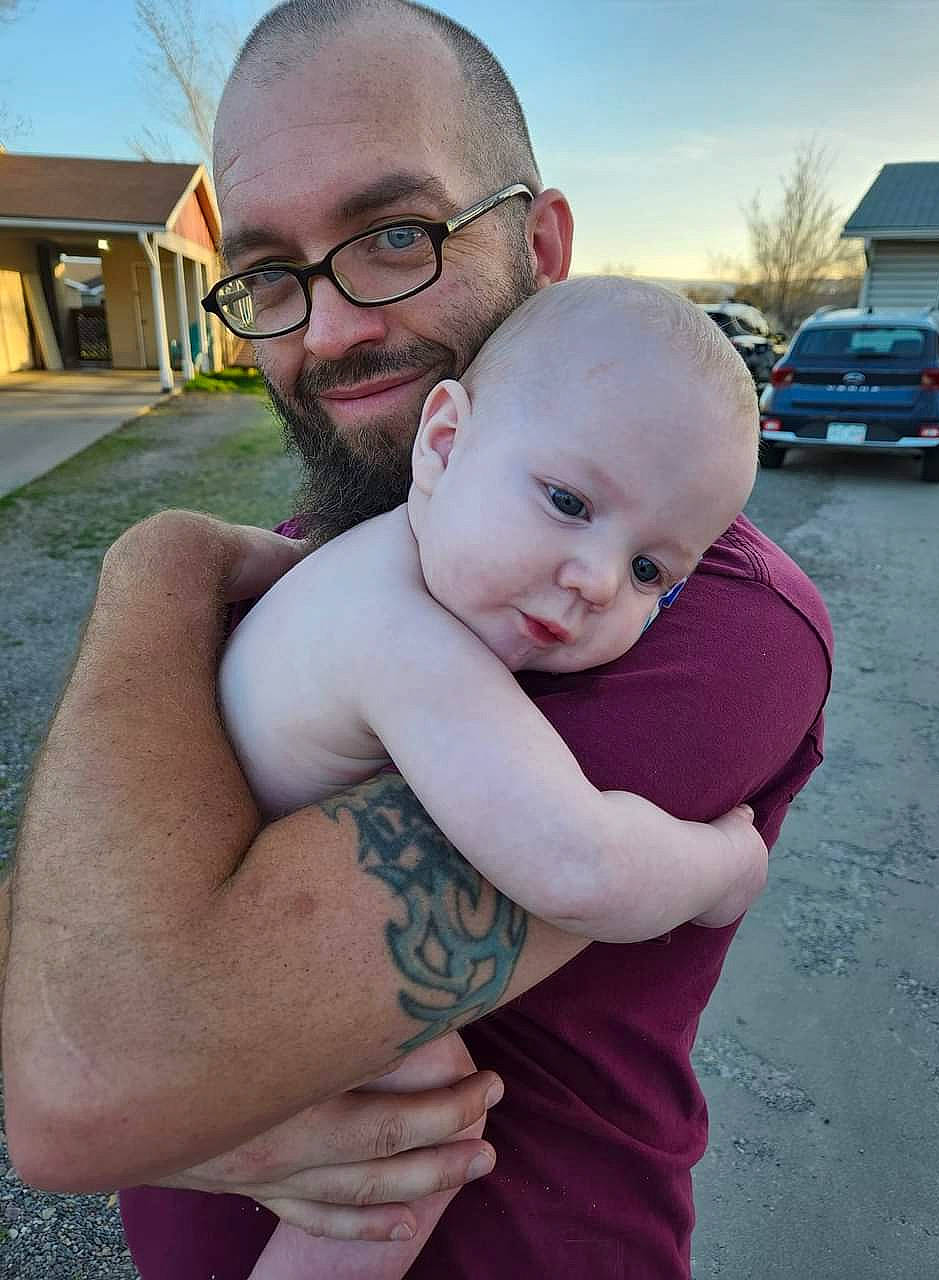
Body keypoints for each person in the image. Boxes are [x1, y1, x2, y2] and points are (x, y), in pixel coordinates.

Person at [1, 3, 833, 1278]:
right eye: (272, 271)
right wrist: (153, 569)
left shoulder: (709, 627)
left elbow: (74, 1087)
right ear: (447, 442)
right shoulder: (315, 563)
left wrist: (171, 1097)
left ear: (540, 243)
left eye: (396, 235)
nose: (329, 331)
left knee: (419, 1107)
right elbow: (52, 974)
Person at [225, 276, 768, 1278]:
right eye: (568, 501)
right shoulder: (404, 638)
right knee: (421, 1109)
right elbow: (575, 863)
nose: (598, 580)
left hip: (231, 928)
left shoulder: (374, 564)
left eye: (655, 571)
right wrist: (725, 864)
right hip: (212, 966)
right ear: (441, 443)